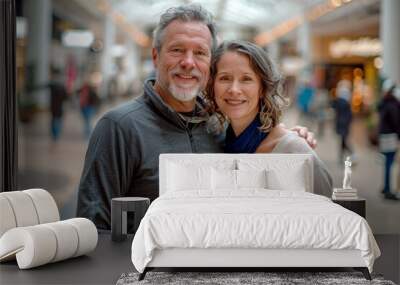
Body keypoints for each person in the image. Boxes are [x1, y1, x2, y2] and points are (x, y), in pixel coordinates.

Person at [76, 4, 317, 230]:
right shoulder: (119, 128)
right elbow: (94, 228)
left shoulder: (220, 124)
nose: (188, 62)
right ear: (155, 56)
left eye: (200, 53)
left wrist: (289, 140)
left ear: (209, 64)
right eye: (177, 50)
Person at [205, 40, 332, 196]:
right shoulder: (217, 142)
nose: (234, 89)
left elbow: (327, 210)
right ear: (213, 86)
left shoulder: (294, 150)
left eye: (246, 79)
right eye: (225, 78)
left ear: (262, 88)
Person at [378, 80, 400, 200]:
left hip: (384, 135)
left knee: (387, 163)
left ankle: (386, 187)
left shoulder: (384, 103)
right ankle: (388, 189)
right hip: (391, 136)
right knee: (390, 164)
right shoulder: (393, 104)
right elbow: (395, 121)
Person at [332, 79, 353, 163]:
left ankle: (343, 156)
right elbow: (349, 116)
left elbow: (334, 109)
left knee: (343, 141)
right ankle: (349, 153)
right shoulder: (345, 104)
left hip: (341, 123)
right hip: (344, 124)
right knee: (343, 140)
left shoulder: (338, 102)